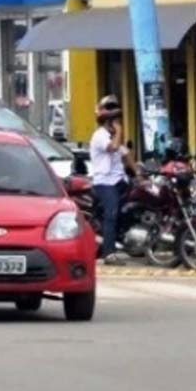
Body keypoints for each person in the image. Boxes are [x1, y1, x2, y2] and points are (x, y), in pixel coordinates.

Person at [89, 95, 127, 266]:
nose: (118, 123)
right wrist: (118, 131)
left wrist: (139, 174)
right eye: (115, 121)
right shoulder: (100, 135)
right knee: (110, 214)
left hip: (119, 180)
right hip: (105, 183)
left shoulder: (112, 136)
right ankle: (109, 253)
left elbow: (125, 153)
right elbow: (113, 148)